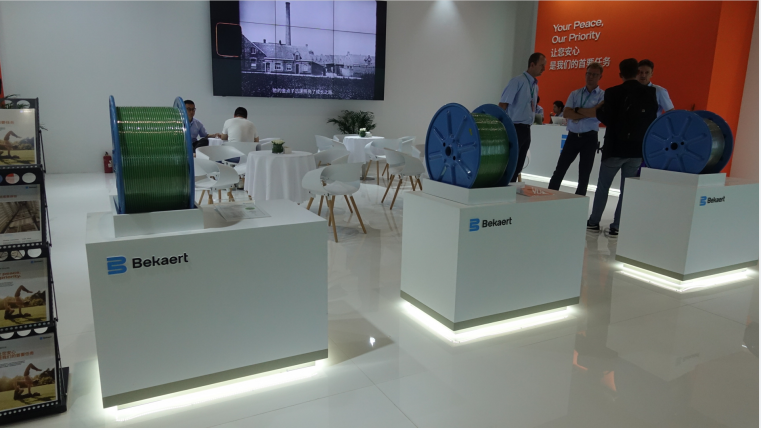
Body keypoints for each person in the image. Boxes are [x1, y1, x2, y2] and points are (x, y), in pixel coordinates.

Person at [587, 58, 658, 237]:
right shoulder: (650, 93)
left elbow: (607, 118)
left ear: (621, 74)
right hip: (636, 149)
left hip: (615, 147)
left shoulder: (612, 92)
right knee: (626, 190)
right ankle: (617, 226)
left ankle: (594, 222)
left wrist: (599, 110)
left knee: (603, 187)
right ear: (637, 72)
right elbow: (651, 119)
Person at [548, 63, 605, 196]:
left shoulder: (603, 96)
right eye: (588, 73)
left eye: (594, 74)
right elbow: (567, 113)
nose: (590, 77)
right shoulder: (575, 93)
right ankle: (548, 197)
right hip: (573, 136)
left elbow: (597, 114)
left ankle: (579, 202)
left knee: (584, 174)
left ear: (600, 77)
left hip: (590, 138)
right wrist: (589, 112)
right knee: (560, 169)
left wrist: (577, 110)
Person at [499, 52, 546, 182]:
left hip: (526, 129)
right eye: (541, 65)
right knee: (510, 163)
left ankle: (511, 188)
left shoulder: (535, 86)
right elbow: (503, 104)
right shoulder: (517, 81)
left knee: (519, 165)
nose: (544, 69)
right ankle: (503, 188)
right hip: (514, 127)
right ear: (532, 65)